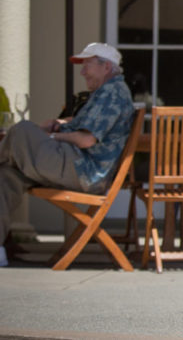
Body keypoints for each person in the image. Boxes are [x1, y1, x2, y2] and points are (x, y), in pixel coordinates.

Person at [0, 42, 134, 267]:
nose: (82, 72)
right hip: (75, 165)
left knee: (22, 130)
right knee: (6, 175)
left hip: (85, 170)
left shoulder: (112, 92)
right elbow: (82, 126)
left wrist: (51, 137)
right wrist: (59, 125)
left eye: (87, 65)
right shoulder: (105, 92)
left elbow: (86, 139)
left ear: (106, 67)